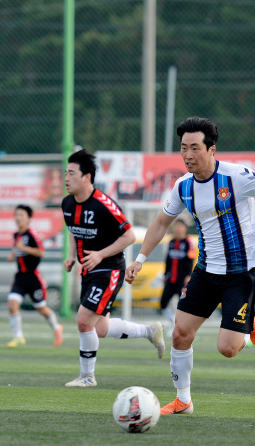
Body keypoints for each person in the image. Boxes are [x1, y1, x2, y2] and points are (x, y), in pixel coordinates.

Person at [126, 116, 255, 415]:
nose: (188, 155)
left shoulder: (237, 176)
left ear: (212, 150)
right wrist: (139, 259)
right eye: (183, 148)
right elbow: (161, 222)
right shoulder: (183, 186)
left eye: (195, 148)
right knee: (180, 333)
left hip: (242, 273)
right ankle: (183, 400)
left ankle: (250, 319)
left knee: (227, 349)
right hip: (205, 270)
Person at [62, 149, 166, 388]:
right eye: (65, 173)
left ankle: (87, 377)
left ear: (86, 177)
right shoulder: (67, 203)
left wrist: (99, 254)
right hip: (89, 272)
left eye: (71, 173)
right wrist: (71, 256)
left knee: (83, 320)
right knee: (100, 328)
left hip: (110, 269)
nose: (66, 178)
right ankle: (149, 331)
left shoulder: (104, 205)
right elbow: (72, 230)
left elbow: (129, 236)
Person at [5, 204, 64, 348]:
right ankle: (18, 336)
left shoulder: (32, 234)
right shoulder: (16, 235)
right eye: (17, 215)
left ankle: (57, 328)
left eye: (22, 215)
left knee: (41, 308)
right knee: (12, 304)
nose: (18, 218)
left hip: (33, 278)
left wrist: (23, 248)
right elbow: (16, 248)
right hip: (20, 277)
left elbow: (41, 252)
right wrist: (12, 255)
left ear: (29, 218)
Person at [160, 219, 195, 330]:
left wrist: (188, 275)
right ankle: (173, 324)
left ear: (185, 228)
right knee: (163, 302)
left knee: (183, 305)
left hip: (182, 279)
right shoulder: (171, 242)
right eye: (176, 226)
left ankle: (183, 326)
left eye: (180, 226)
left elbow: (191, 260)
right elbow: (168, 259)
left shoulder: (188, 242)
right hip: (171, 278)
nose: (178, 228)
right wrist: (165, 274)